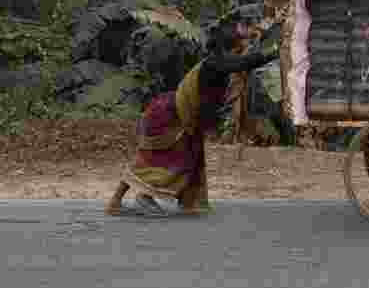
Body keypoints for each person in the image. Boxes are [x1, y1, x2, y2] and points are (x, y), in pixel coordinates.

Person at [106, 16, 279, 216]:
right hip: (170, 116)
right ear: (233, 45)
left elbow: (245, 60)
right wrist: (274, 51)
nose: (247, 44)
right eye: (244, 42)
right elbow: (245, 62)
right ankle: (121, 201)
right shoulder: (217, 62)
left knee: (189, 160)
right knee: (152, 160)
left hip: (178, 115)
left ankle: (177, 200)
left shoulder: (218, 60)